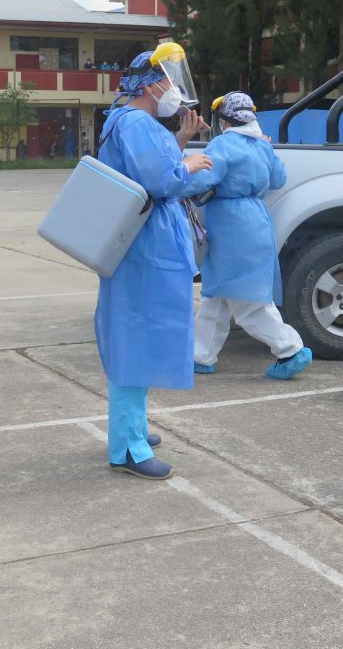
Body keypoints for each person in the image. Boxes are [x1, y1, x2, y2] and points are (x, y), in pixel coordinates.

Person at [96, 42, 212, 480]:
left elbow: (149, 168)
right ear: (149, 84)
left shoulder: (129, 120)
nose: (173, 88)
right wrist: (189, 164)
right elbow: (161, 180)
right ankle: (128, 446)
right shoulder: (136, 123)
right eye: (167, 80)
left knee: (137, 336)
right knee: (135, 338)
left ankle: (133, 428)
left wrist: (178, 143)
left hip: (142, 245)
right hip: (145, 247)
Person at [182, 92, 313, 380]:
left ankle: (290, 350)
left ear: (224, 120)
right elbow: (278, 179)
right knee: (216, 294)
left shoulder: (223, 144)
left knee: (247, 302)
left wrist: (176, 176)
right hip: (256, 220)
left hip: (231, 226)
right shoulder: (263, 145)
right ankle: (200, 355)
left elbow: (202, 179)